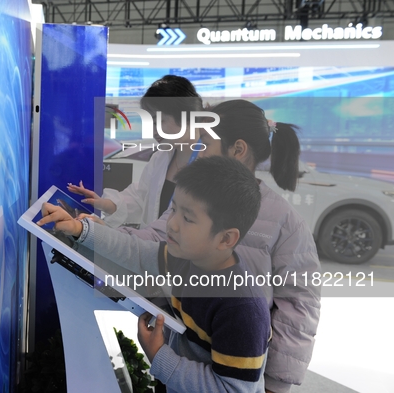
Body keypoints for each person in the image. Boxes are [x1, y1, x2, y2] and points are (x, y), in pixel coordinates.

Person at [116, 99, 321, 393]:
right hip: (183, 356)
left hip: (237, 368)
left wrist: (275, 384)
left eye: (204, 142)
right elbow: (152, 239)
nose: (196, 151)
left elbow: (299, 306)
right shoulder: (193, 199)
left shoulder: (286, 223)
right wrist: (88, 230)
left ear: (237, 149)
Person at [39, 156, 271, 392]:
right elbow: (135, 252)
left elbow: (233, 389)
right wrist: (80, 230)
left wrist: (159, 355)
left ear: (226, 238)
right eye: (174, 209)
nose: (172, 224)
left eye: (188, 218)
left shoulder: (242, 310)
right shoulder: (185, 259)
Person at [67, 75, 203, 229]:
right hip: (156, 248)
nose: (154, 131)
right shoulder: (161, 157)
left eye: (159, 121)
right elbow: (140, 197)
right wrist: (105, 204)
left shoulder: (210, 163)